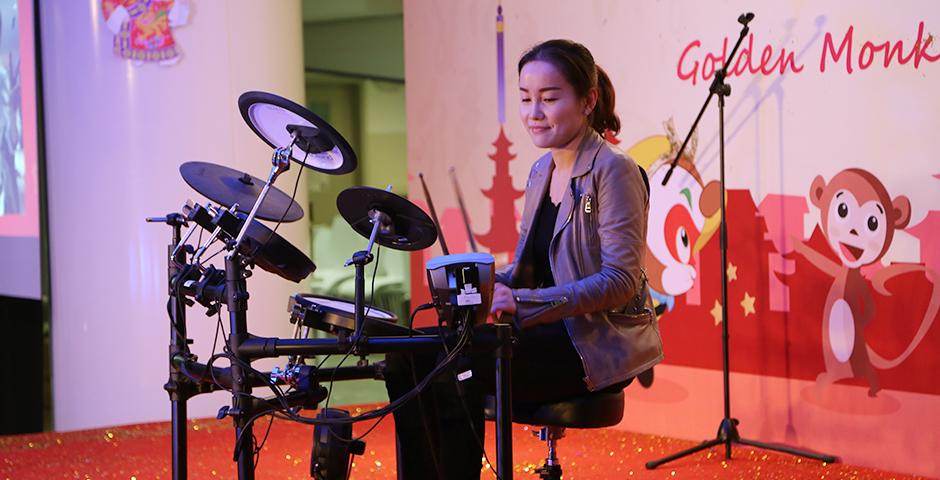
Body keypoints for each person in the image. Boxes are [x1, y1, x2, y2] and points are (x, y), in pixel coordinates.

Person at [384, 39, 663, 480]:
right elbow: (527, 269)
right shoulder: (541, 171)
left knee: (460, 364)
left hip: (591, 344)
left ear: (588, 100)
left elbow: (620, 280)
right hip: (540, 331)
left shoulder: (615, 170)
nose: (534, 112)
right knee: (409, 353)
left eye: (549, 99)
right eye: (525, 98)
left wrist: (525, 303)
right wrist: (481, 278)